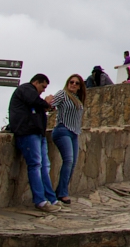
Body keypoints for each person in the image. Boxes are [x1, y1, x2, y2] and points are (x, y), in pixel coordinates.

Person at [9, 74, 60, 211]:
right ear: (36, 82)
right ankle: (40, 201)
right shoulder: (26, 89)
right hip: (27, 133)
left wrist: (46, 106)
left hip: (38, 134)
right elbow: (35, 101)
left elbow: (38, 105)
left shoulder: (33, 98)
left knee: (44, 166)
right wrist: (47, 103)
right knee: (35, 165)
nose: (43, 90)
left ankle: (51, 198)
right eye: (42, 86)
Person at [49, 74, 86, 203]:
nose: (73, 84)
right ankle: (63, 193)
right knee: (68, 160)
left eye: (77, 83)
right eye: (71, 82)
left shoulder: (78, 99)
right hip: (62, 129)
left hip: (74, 133)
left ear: (80, 87)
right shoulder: (63, 94)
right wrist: (48, 102)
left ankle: (60, 191)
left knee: (73, 163)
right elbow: (51, 105)